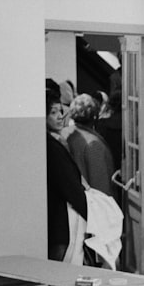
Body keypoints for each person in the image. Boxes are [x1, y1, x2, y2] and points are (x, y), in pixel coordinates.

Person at [46, 91, 89, 262]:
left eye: (59, 111)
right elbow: (69, 185)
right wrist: (88, 210)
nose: (59, 117)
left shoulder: (56, 141)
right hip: (59, 219)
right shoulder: (52, 147)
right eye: (52, 112)